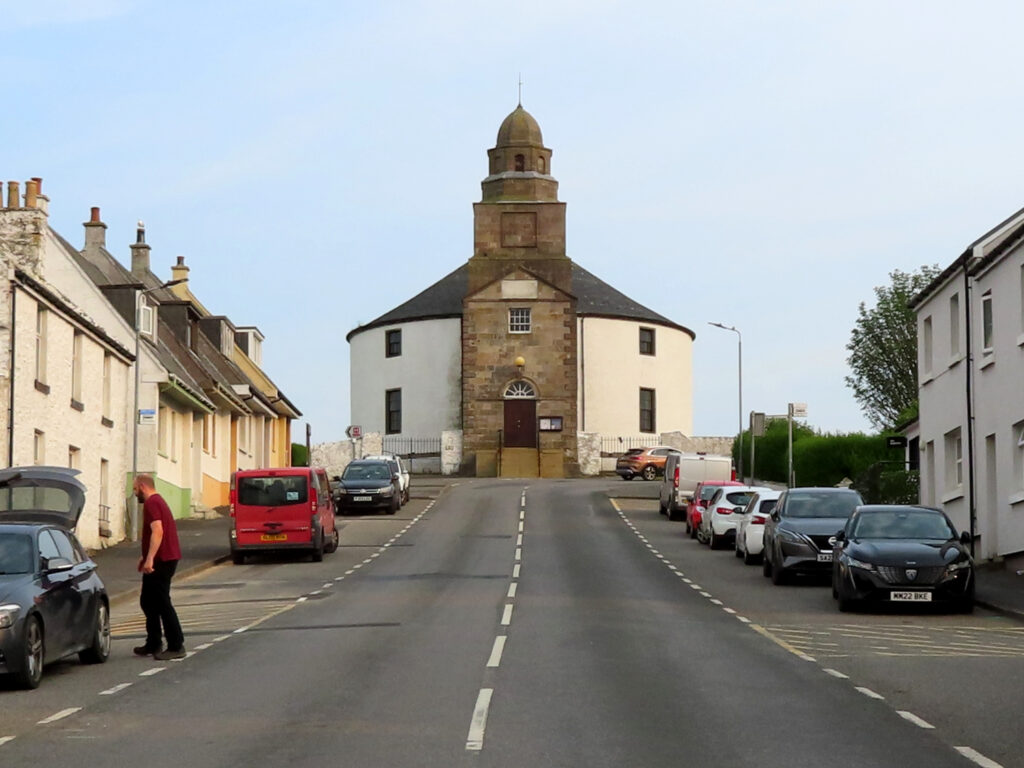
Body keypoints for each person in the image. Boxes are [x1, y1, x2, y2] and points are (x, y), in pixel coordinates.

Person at [132, 473, 185, 660]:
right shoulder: (158, 501)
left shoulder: (152, 503)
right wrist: (145, 555)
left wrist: (150, 559)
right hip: (164, 557)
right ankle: (153, 642)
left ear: (142, 487)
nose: (135, 493)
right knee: (148, 600)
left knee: (162, 602)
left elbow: (158, 531)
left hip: (163, 560)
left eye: (135, 489)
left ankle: (176, 644)